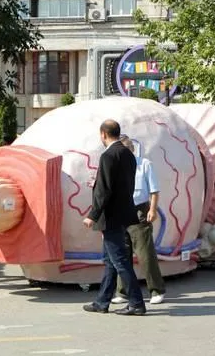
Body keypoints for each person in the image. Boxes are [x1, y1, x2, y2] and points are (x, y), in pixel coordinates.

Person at [82, 120, 146, 316]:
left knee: (119, 261)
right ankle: (102, 302)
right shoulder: (128, 154)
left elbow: (105, 189)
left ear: (103, 134)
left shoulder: (108, 155)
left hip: (110, 216)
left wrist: (93, 214)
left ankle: (136, 303)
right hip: (123, 212)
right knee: (111, 260)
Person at [111, 135, 165, 306]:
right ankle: (123, 291)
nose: (125, 151)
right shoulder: (114, 166)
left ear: (132, 149)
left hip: (139, 210)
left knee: (145, 253)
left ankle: (156, 290)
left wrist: (152, 210)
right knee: (122, 254)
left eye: (128, 147)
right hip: (120, 211)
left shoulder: (144, 164)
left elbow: (154, 190)